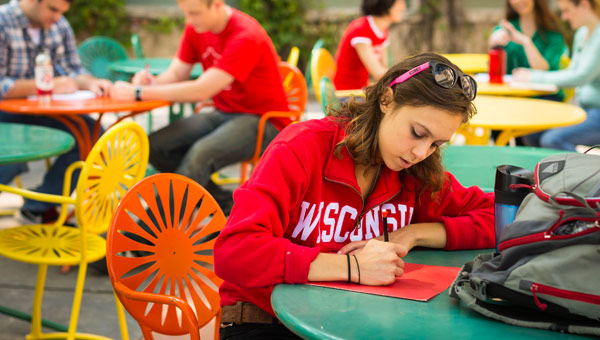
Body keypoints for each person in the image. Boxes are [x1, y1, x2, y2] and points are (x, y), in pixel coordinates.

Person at [214, 53, 495, 339]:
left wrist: (412, 234)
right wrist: (353, 267)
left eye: (436, 143)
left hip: (351, 322)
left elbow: (501, 218)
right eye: (417, 132)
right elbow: (235, 251)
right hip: (263, 320)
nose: (421, 152)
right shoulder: (301, 147)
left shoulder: (416, 172)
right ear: (386, 100)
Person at [110, 0, 288, 213]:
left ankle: (150, 235)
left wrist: (138, 93)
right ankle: (226, 204)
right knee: (155, 145)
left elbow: (202, 90)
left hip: (264, 120)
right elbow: (177, 73)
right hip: (224, 112)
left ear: (217, 4)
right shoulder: (197, 27)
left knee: (200, 155)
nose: (189, 20)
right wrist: (151, 82)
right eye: (185, 13)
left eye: (194, 13)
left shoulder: (245, 35)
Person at [0, 0, 112, 223]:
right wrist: (44, 86)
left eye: (62, 11)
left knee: (91, 134)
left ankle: (38, 207)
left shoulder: (59, 25)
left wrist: (90, 83)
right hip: (5, 113)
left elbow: (73, 69)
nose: (58, 16)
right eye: (53, 9)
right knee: (10, 158)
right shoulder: (3, 22)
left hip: (43, 113)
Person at [513, 0, 600, 150]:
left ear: (584, 5)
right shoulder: (582, 34)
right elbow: (572, 72)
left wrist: (533, 77)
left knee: (552, 140)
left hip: (596, 114)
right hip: (586, 111)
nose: (564, 17)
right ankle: (547, 172)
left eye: (566, 10)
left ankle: (584, 172)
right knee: (532, 133)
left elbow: (580, 77)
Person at [333, 0, 406, 90]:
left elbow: (384, 68)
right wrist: (408, 73)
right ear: (386, 3)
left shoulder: (382, 29)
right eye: (399, 3)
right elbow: (379, 74)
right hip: (346, 94)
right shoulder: (361, 30)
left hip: (361, 89)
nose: (403, 7)